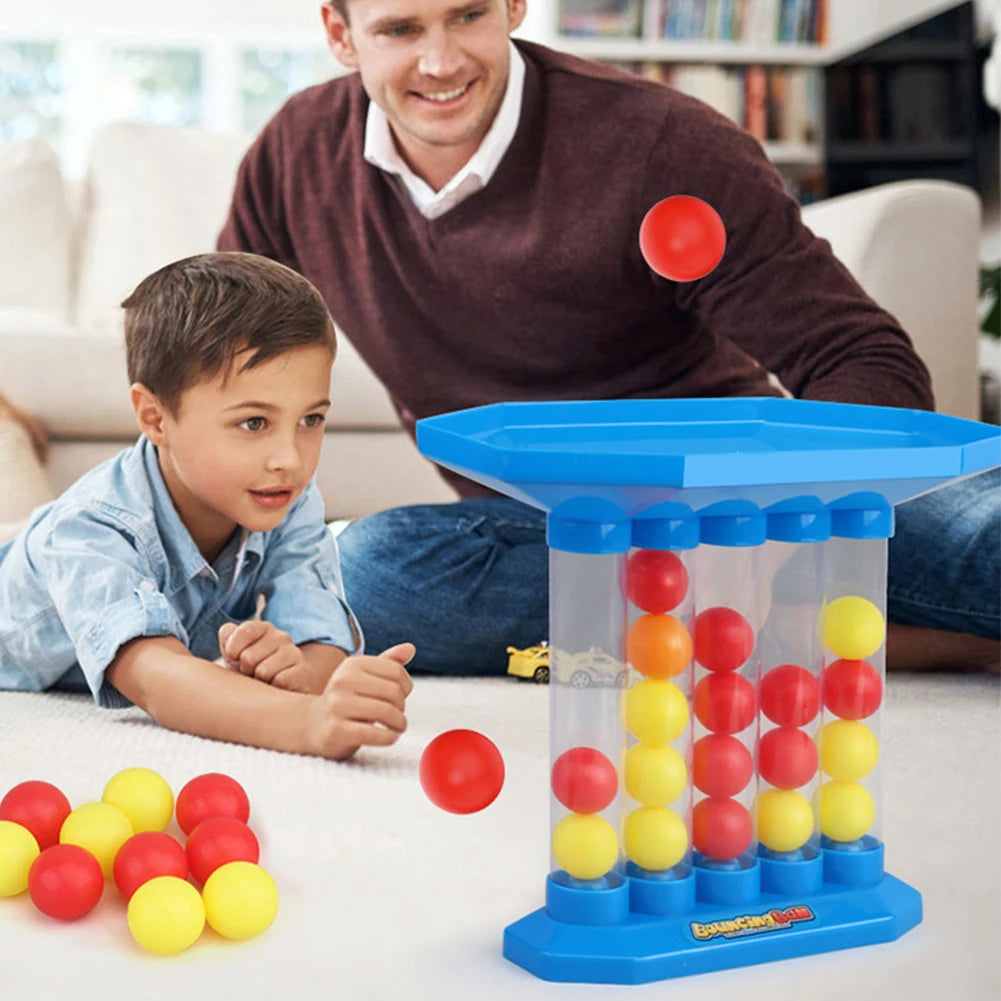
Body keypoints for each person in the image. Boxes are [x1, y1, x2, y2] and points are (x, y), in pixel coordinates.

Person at [212, 0, 999, 674]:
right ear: (341, 34)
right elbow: (220, 367)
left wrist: (769, 531)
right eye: (400, 29)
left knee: (981, 533)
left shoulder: (659, 143)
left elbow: (864, 359)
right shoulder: (296, 154)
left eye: (468, 14)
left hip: (739, 494)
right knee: (370, 568)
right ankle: (803, 632)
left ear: (514, 3)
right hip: (554, 528)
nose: (440, 60)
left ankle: (771, 619)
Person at [0, 253, 414, 759]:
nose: (290, 459)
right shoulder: (89, 531)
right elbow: (157, 679)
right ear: (154, 417)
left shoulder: (286, 497)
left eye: (310, 419)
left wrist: (298, 673)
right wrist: (306, 722)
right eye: (254, 423)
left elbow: (321, 634)